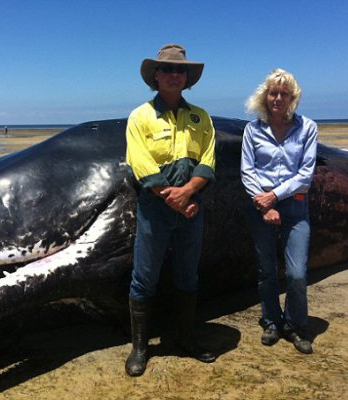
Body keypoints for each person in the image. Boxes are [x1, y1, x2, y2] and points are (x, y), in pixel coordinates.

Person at [124, 43, 217, 376]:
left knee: (188, 274)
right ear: (156, 75)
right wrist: (171, 197)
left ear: (187, 77)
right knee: (144, 277)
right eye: (167, 70)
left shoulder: (201, 118)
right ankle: (139, 347)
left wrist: (189, 192)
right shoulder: (140, 116)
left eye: (180, 70)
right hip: (155, 208)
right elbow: (139, 161)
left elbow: (207, 159)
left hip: (192, 207)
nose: (174, 75)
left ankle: (186, 339)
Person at [241, 68, 318, 354]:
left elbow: (305, 174)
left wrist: (273, 196)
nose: (278, 98)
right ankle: (272, 321)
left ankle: (295, 325)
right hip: (259, 205)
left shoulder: (307, 128)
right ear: (265, 96)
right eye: (273, 93)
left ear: (292, 98)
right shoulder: (253, 130)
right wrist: (264, 204)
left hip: (294, 205)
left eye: (284, 94)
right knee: (267, 270)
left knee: (297, 273)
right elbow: (247, 172)